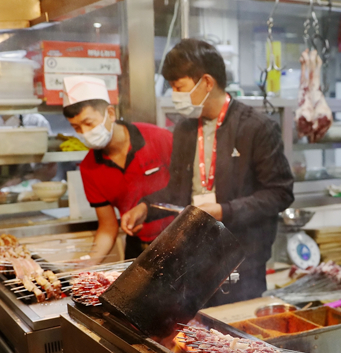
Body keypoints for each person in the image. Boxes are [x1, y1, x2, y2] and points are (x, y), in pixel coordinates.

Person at [120, 39, 294, 305]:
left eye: (179, 87)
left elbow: (280, 193)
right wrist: (146, 207)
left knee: (232, 328)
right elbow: (177, 191)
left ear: (207, 82)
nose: (174, 95)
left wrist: (224, 211)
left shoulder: (256, 127)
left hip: (242, 260)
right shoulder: (185, 129)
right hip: (193, 257)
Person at [62, 76, 174, 262]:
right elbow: (108, 226)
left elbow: (187, 189)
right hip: (138, 250)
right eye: (76, 127)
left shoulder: (158, 138)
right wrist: (89, 262)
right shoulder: (89, 168)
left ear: (110, 113)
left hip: (181, 241)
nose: (84, 132)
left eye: (89, 123)